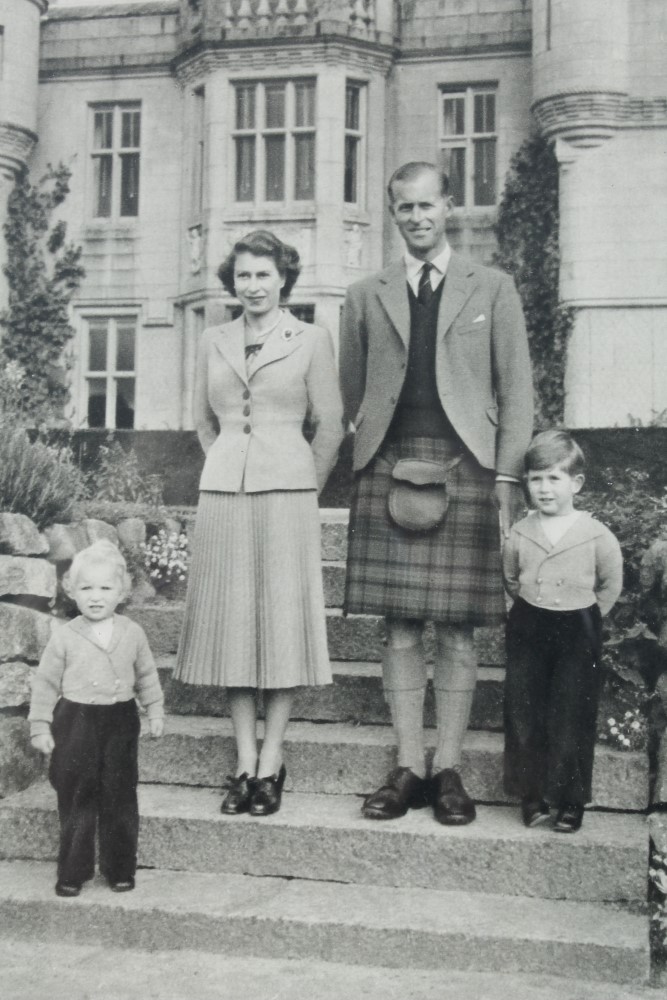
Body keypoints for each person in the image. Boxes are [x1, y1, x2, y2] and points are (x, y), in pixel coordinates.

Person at [340, 161, 533, 824]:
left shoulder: (494, 287)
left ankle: (447, 769)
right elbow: (351, 389)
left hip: (469, 469)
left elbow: (518, 394)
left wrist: (506, 481)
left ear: (448, 206)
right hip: (387, 464)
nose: (417, 218)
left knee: (456, 631)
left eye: (427, 206)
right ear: (391, 212)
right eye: (404, 209)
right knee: (397, 630)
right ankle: (405, 767)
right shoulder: (365, 293)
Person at [174, 229, 344, 818]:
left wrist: (304, 485)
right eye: (243, 275)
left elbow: (331, 423)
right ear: (232, 281)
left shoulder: (312, 338)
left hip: (288, 496)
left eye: (263, 275)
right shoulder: (212, 339)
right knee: (233, 628)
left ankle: (272, 762)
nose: (253, 286)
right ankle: (243, 761)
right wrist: (227, 465)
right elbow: (203, 421)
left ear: (283, 279)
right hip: (224, 495)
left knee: (280, 625)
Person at [502, 430, 623, 832]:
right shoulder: (520, 532)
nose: (544, 488)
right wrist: (525, 612)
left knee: (572, 713)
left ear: (577, 483)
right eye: (535, 478)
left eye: (554, 478)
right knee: (525, 710)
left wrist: (588, 618)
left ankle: (571, 801)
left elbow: (610, 584)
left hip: (577, 629)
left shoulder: (595, 534)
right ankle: (531, 795)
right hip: (529, 626)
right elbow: (510, 578)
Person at [28, 540, 164, 897]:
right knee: (77, 795)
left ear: (122, 592)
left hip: (120, 720)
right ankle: (73, 870)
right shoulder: (65, 636)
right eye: (86, 588)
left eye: (105, 588)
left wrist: (155, 710)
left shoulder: (132, 633)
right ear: (71, 591)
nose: (96, 596)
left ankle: (120, 868)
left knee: (120, 794)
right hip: (76, 721)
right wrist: (40, 725)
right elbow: (45, 683)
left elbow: (147, 675)